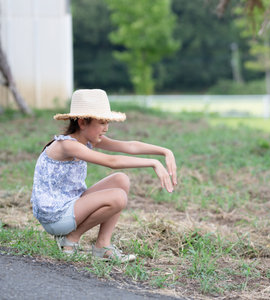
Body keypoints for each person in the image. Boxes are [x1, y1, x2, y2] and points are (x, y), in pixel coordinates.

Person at [30, 89, 177, 262]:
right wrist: (153, 163)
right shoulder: (67, 145)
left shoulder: (86, 140)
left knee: (120, 180)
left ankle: (102, 246)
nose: (106, 128)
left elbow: (129, 146)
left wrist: (164, 152)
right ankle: (70, 239)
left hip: (71, 205)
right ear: (83, 122)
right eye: (102, 122)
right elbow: (111, 161)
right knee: (118, 197)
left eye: (107, 122)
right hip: (56, 216)